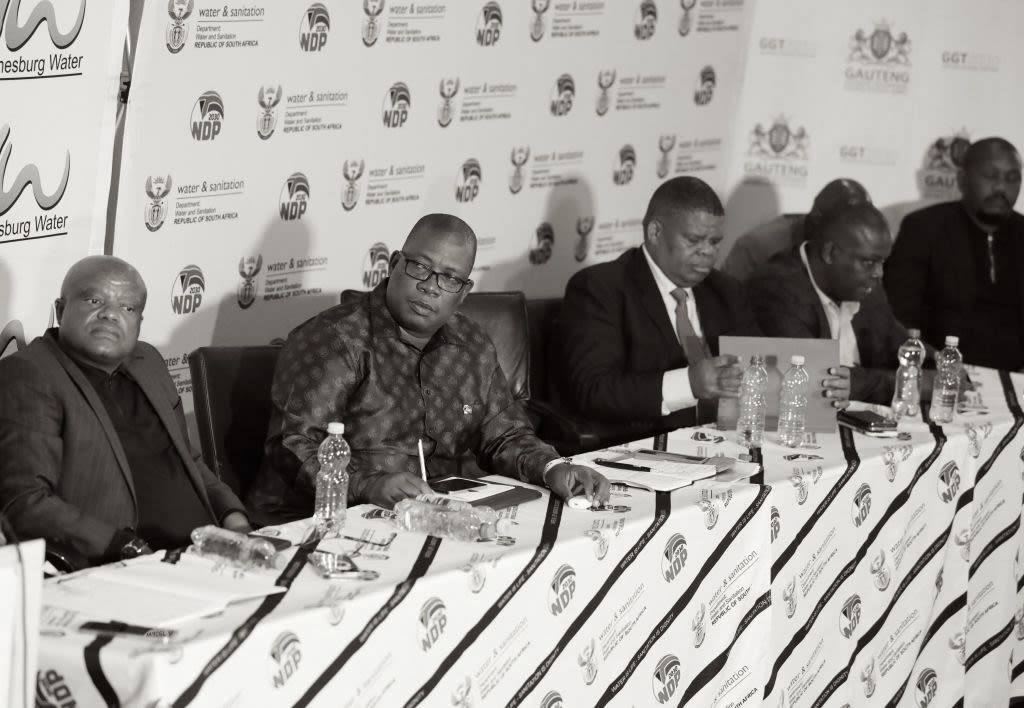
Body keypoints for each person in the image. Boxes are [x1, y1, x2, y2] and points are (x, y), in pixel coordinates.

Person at [248, 214, 609, 521]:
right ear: (393, 265)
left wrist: (553, 468)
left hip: (436, 515)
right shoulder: (335, 338)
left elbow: (505, 435)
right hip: (322, 518)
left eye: (449, 278)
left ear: (463, 292)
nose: (430, 287)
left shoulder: (472, 344)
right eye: (420, 267)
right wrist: (366, 484)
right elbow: (292, 443)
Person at [0, 256, 251, 565]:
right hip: (123, 563)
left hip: (206, 552)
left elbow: (188, 459)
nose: (110, 315)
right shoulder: (31, 374)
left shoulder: (148, 362)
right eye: (94, 300)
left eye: (127, 308)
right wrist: (123, 546)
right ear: (61, 309)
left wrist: (233, 516)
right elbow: (26, 501)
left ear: (139, 322)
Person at [555, 176, 847, 432]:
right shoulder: (601, 288)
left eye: (715, 241)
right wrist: (689, 384)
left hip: (722, 443)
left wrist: (822, 390)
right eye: (695, 240)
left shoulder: (725, 290)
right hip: (637, 446)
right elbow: (593, 390)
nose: (707, 253)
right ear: (655, 232)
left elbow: (760, 368)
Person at [748, 202, 918, 404]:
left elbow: (902, 350)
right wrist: (893, 383)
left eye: (882, 262)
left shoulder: (866, 287)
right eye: (869, 262)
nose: (879, 274)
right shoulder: (775, 289)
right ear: (829, 253)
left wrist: (943, 369)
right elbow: (818, 381)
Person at [884, 137, 1024, 371]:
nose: (1001, 188)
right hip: (939, 373)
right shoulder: (923, 229)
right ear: (961, 180)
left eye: (1012, 179)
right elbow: (899, 319)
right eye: (990, 176)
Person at [723, 178, 871, 281]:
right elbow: (723, 307)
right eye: (848, 227)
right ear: (817, 218)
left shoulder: (861, 254)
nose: (856, 236)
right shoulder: (756, 246)